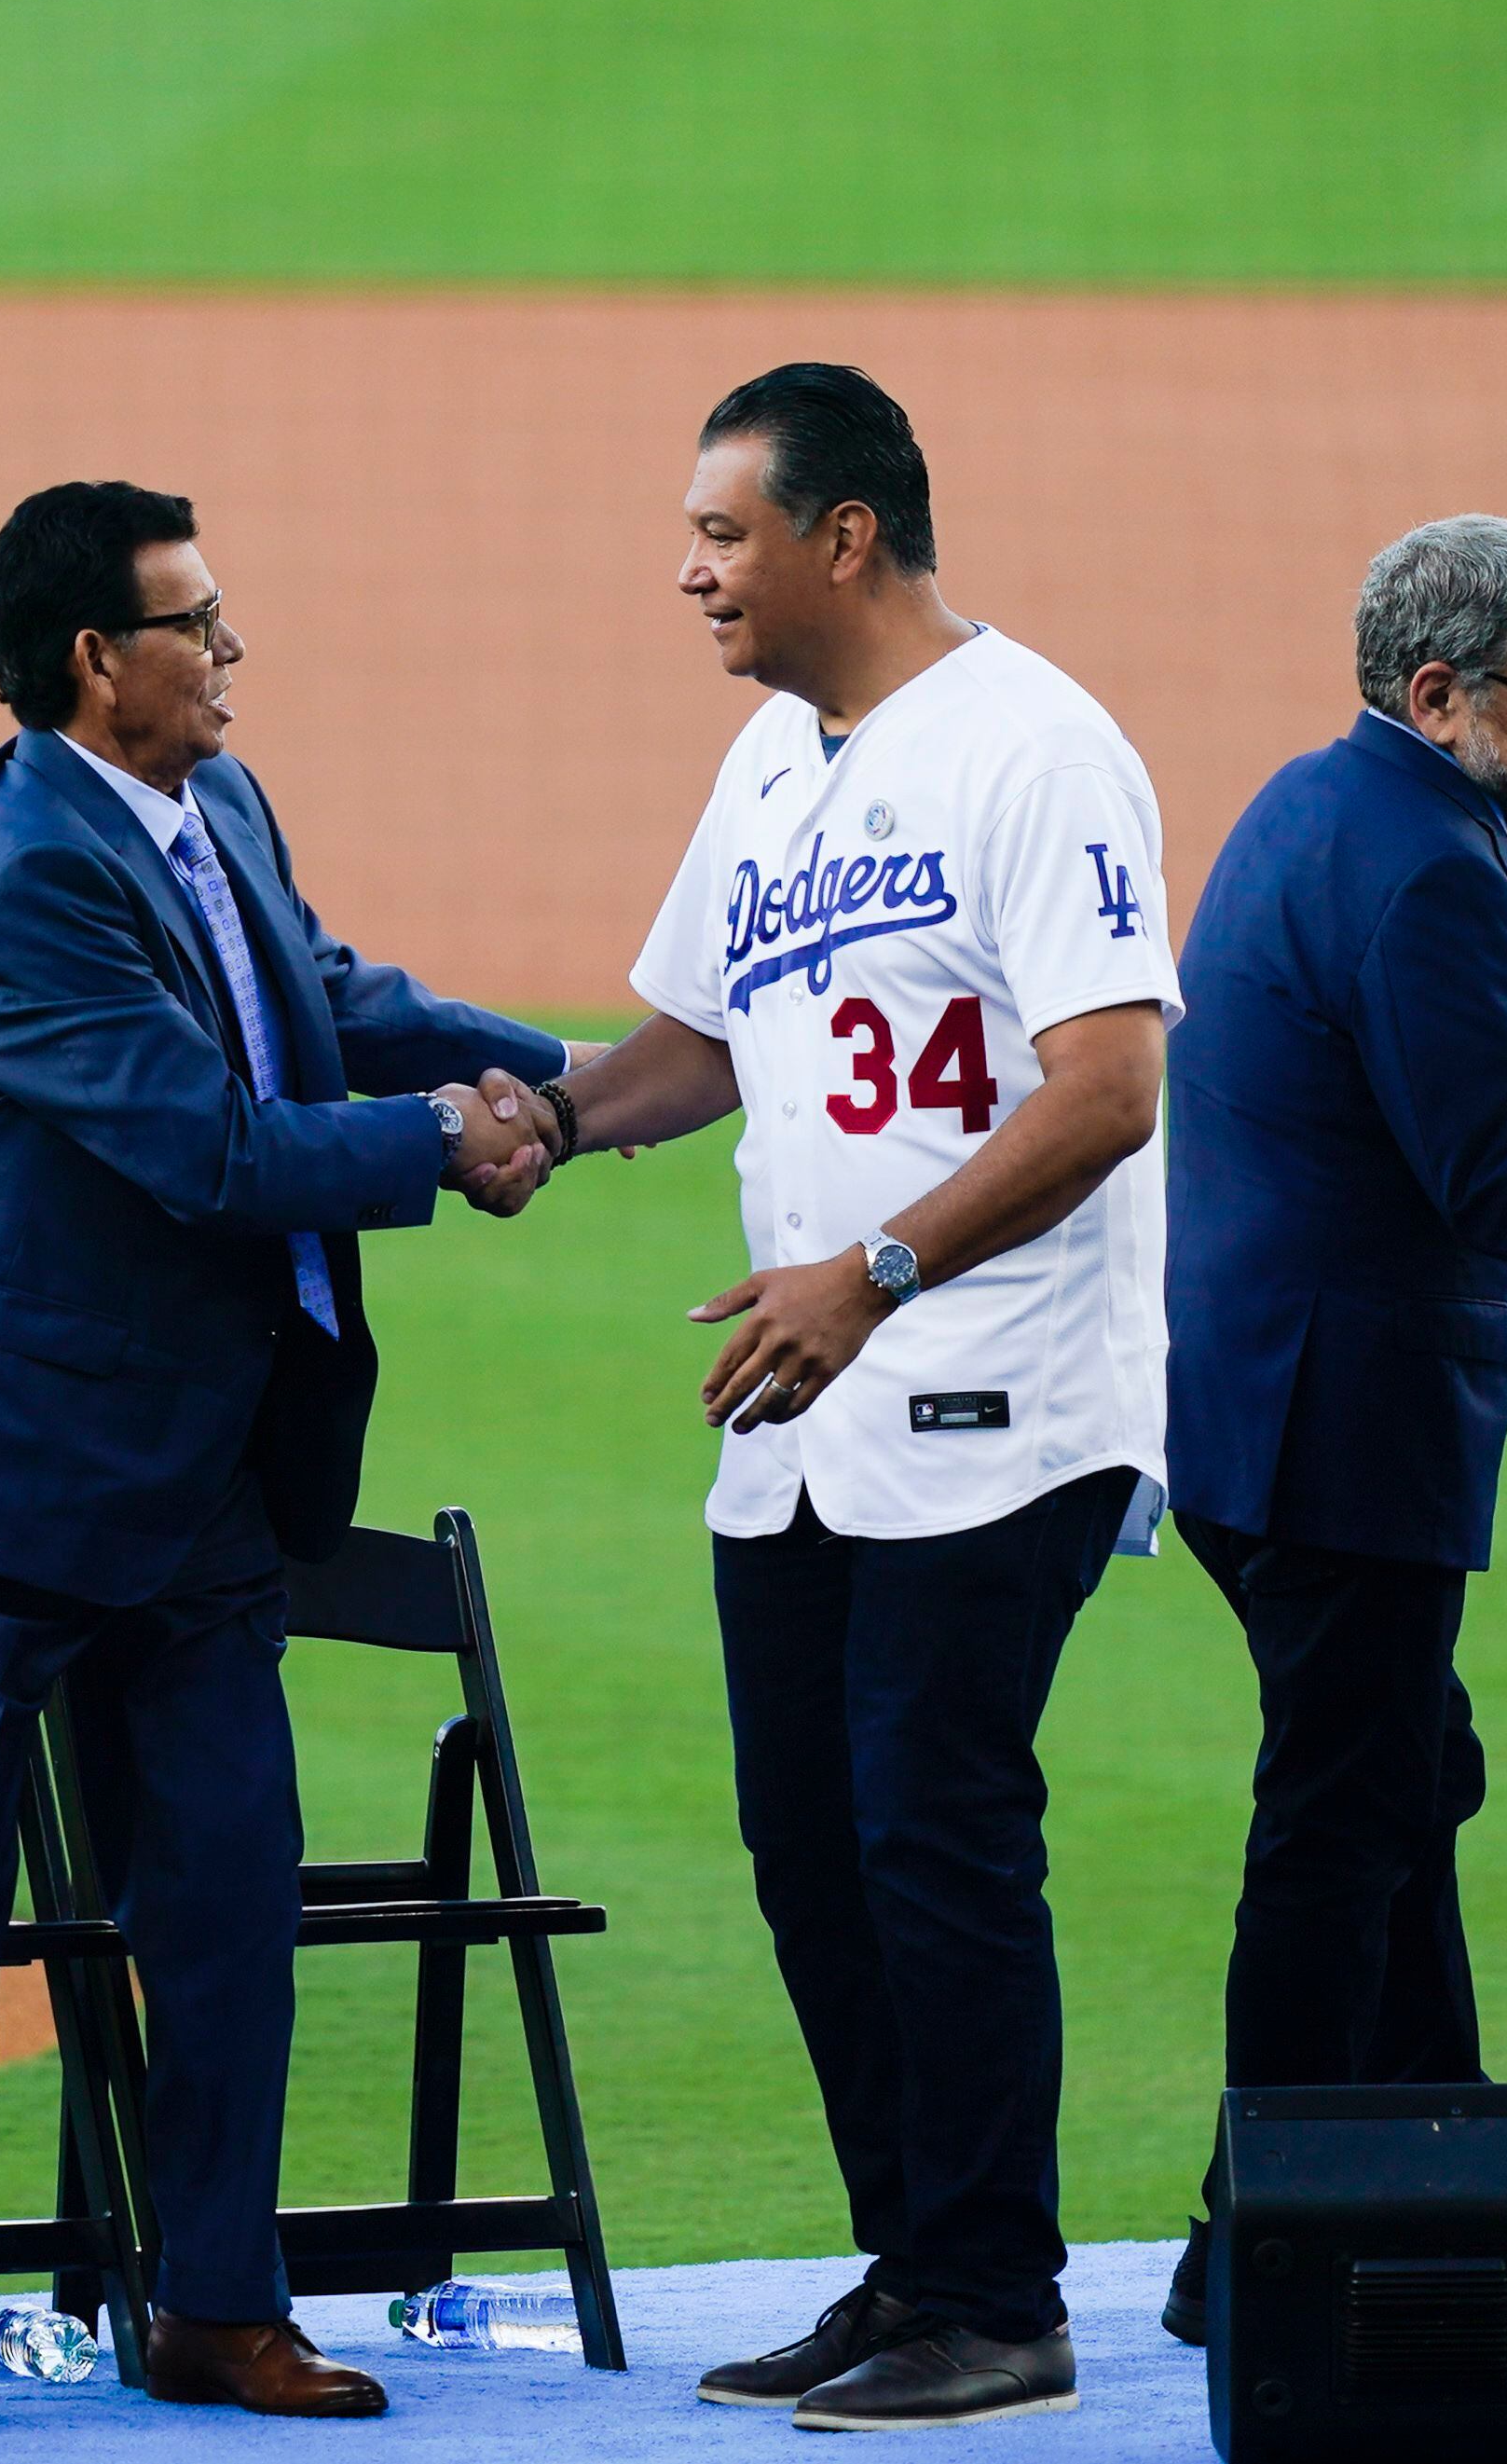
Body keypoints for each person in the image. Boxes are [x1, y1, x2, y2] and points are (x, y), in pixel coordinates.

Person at [0, 483, 570, 2438]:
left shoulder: (220, 803)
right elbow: (209, 1143)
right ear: (94, 664)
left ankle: (214, 2303)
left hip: (191, 1458)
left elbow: (324, 1004)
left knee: (224, 1888)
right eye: (197, 624)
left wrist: (569, 1076)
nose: (230, 651)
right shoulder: (25, 872)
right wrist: (454, 1143)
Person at [491, 364, 1174, 2430]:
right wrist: (530, 1119)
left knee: (934, 1823)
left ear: (843, 533)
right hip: (804, 1408)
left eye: (720, 531)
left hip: (998, 1385)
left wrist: (875, 1269)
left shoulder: (1037, 747)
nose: (689, 569)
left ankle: (1000, 2290)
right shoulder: (778, 761)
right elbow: (695, 1038)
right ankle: (915, 2260)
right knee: (812, 1844)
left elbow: (1111, 1082)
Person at [1151, 516, 1507, 2345]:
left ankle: (1436, 2168)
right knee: (1342, 1818)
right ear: (1436, 690)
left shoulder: (1315, 802)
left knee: (1406, 1778)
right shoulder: (1424, 866)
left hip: (1262, 1407)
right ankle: (1264, 2234)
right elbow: (1497, 1177)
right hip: (1343, 1426)